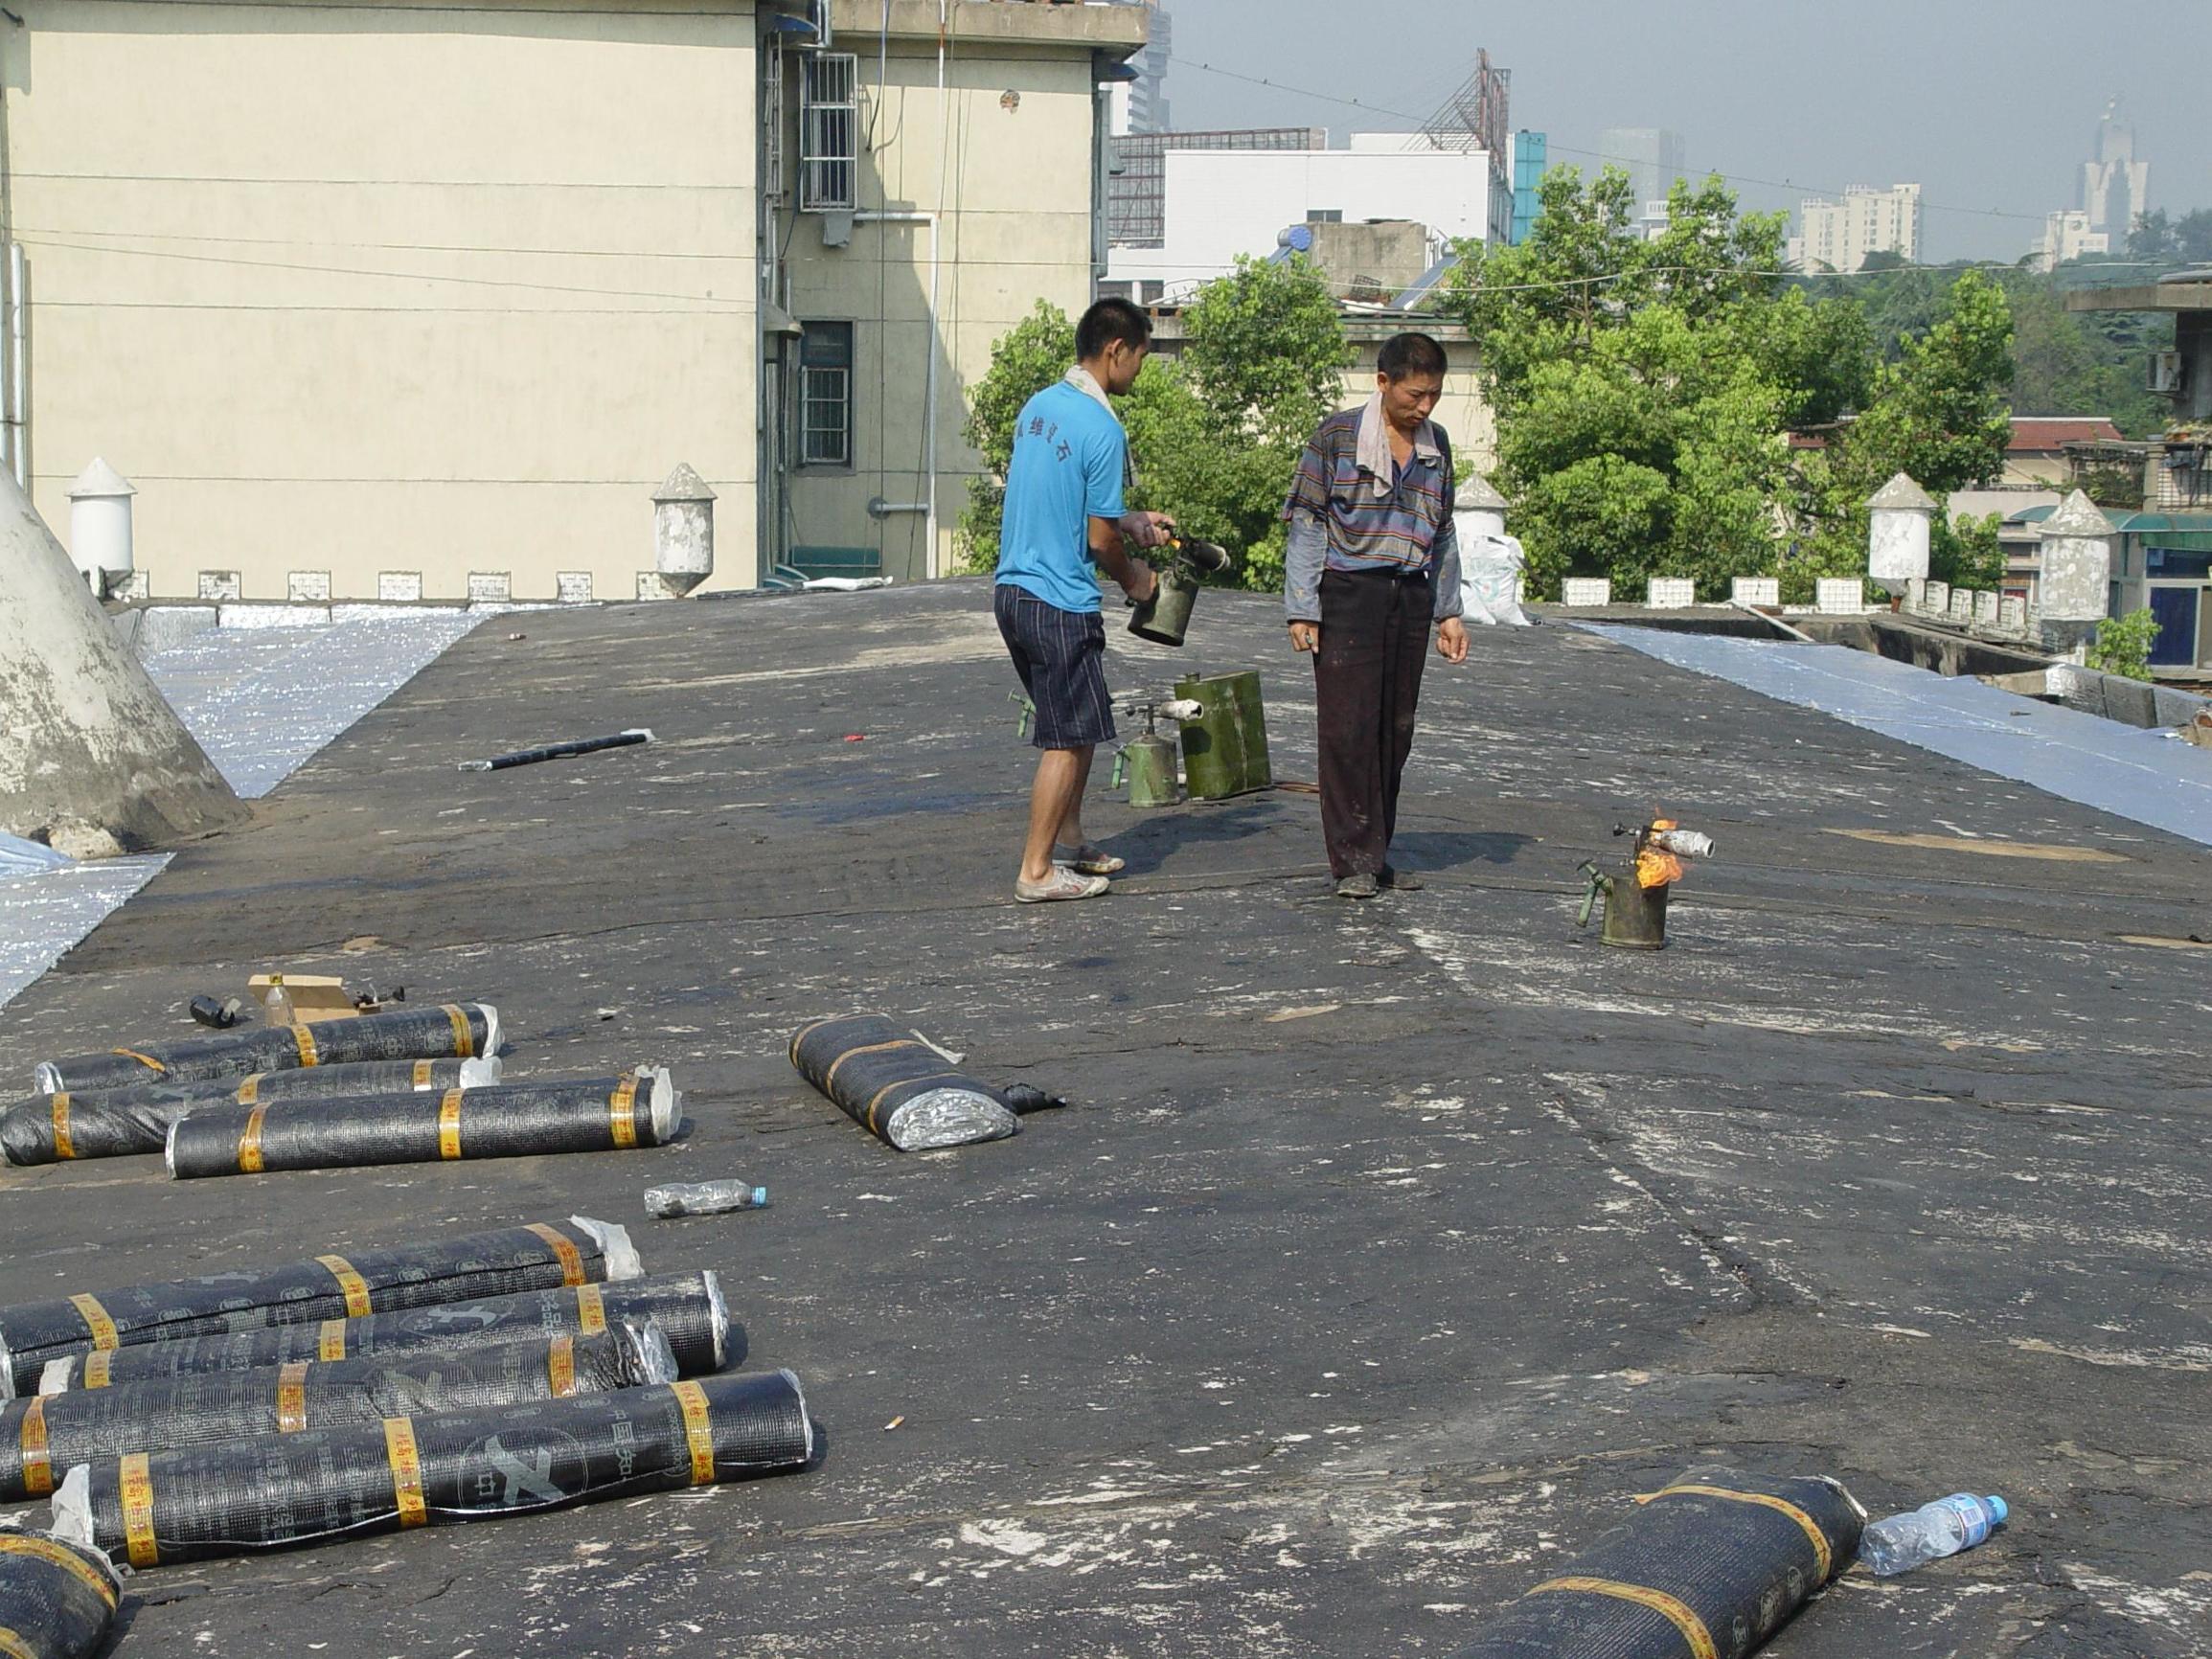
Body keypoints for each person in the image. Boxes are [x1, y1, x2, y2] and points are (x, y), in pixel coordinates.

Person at [994, 297, 1176, 903]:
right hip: (1059, 602)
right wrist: (1137, 582)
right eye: (1142, 357)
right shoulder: (1102, 428)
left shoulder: (1040, 408)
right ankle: (1037, 870)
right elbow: (1099, 543)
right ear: (1116, 351)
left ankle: (1069, 840)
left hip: (1015, 591)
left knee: (1078, 722)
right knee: (1068, 738)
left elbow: (1076, 507)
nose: (1140, 371)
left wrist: (1131, 520)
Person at [1282, 331, 1470, 898]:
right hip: (1348, 593)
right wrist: (1302, 607)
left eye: (1433, 395)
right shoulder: (1337, 437)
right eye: (1414, 395)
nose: (1424, 407)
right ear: (1383, 383)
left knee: (1395, 728)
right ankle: (1351, 859)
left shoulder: (1436, 447)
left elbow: (1444, 532)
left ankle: (1378, 849)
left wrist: (1449, 613)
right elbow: (1308, 522)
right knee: (1348, 730)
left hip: (1409, 593)